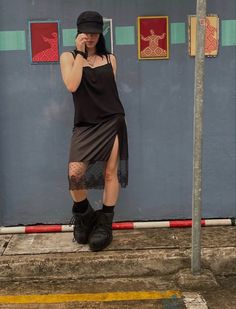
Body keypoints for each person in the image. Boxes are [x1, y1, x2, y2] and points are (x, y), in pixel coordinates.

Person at [60, 11, 128, 252]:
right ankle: (86, 215)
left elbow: (109, 94)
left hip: (111, 121)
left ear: (100, 33)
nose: (89, 36)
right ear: (78, 33)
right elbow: (72, 85)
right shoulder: (68, 57)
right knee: (75, 174)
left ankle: (105, 224)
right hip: (85, 125)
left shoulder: (110, 59)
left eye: (94, 32)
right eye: (85, 32)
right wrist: (80, 54)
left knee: (110, 173)